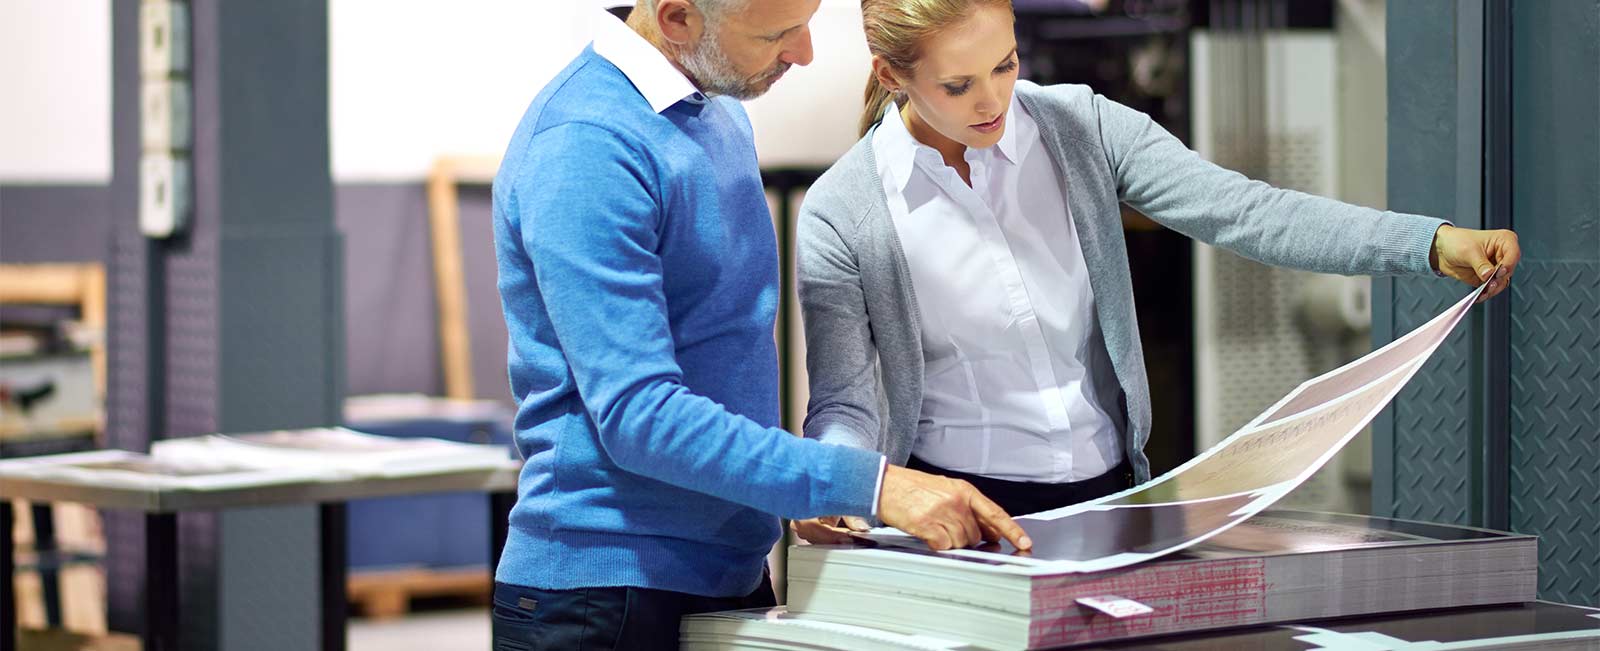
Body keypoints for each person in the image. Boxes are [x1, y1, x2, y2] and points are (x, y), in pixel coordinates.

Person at [791, 0, 1520, 543]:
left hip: (1112, 501)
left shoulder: (1080, 128)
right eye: (958, 86)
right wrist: (840, 486)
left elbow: (1246, 211)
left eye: (1006, 64)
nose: (993, 101)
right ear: (892, 74)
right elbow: (846, 404)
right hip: (965, 519)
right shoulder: (843, 211)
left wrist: (1430, 243)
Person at [490, 0, 1030, 647]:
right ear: (677, 19)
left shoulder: (714, 109)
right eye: (777, 33)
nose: (804, 52)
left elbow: (724, 356)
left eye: (808, 20)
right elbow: (641, 415)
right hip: (603, 597)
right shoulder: (588, 143)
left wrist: (817, 480)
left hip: (729, 570)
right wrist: (869, 483)